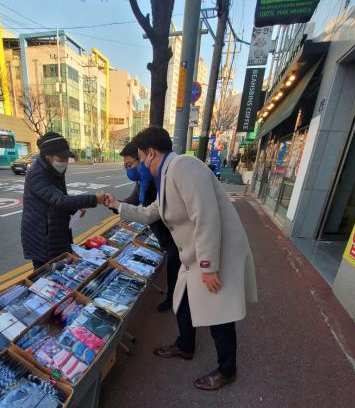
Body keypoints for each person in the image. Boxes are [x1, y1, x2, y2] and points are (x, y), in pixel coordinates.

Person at [106, 126, 257, 391]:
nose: (141, 165)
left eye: (140, 159)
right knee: (184, 299)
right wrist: (118, 206)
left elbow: (206, 216)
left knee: (219, 313)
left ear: (151, 153)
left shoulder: (184, 166)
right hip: (195, 253)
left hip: (214, 252)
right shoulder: (168, 173)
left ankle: (227, 370)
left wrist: (209, 267)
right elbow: (151, 212)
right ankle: (185, 345)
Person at [21, 131, 107, 270]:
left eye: (67, 157)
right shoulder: (36, 174)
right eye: (62, 157)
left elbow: (56, 199)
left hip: (55, 231)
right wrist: (95, 199)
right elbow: (60, 200)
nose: (65, 161)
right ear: (48, 155)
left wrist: (74, 210)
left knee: (61, 270)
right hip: (41, 236)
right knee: (44, 274)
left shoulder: (53, 169)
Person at [119, 141, 181, 312]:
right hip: (162, 232)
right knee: (173, 264)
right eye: (125, 167)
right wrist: (114, 204)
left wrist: (119, 206)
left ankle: (174, 299)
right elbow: (133, 201)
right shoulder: (143, 181)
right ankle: (174, 297)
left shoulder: (158, 179)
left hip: (172, 233)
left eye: (129, 165)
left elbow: (148, 213)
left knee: (175, 266)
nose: (128, 170)